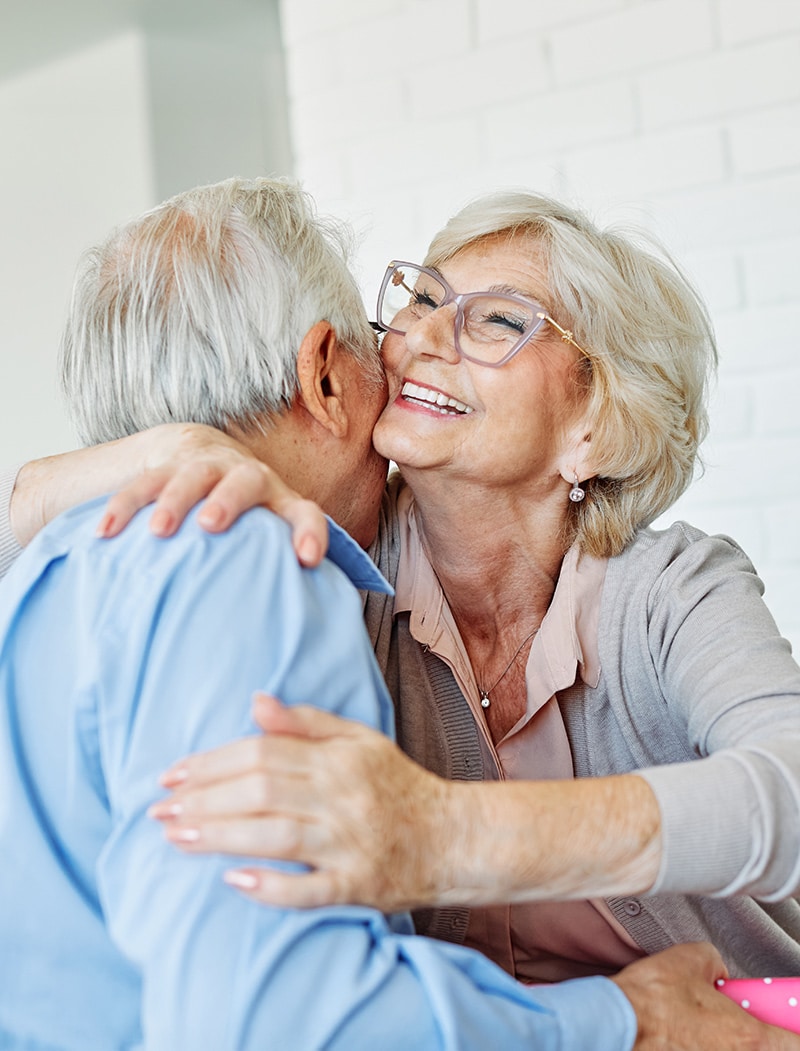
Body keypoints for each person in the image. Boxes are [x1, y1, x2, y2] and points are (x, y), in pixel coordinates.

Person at [1, 186, 799, 1049]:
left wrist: (446, 834)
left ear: (593, 427)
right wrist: (112, 465)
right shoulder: (331, 562)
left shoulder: (670, 588)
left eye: (495, 321)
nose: (418, 336)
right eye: (418, 300)